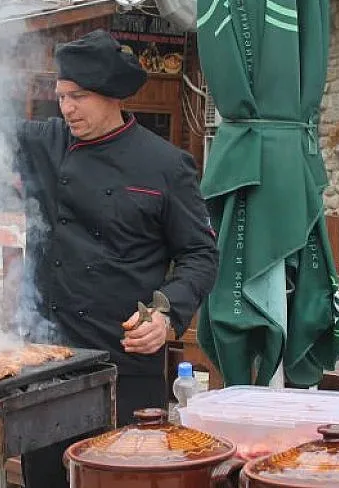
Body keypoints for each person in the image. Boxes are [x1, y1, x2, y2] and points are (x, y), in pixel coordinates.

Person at [13, 29, 219, 488]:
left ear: (112, 96)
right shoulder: (44, 143)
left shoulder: (166, 165)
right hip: (49, 361)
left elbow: (200, 254)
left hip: (126, 364)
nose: (67, 108)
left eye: (79, 97)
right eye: (61, 96)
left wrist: (166, 313)